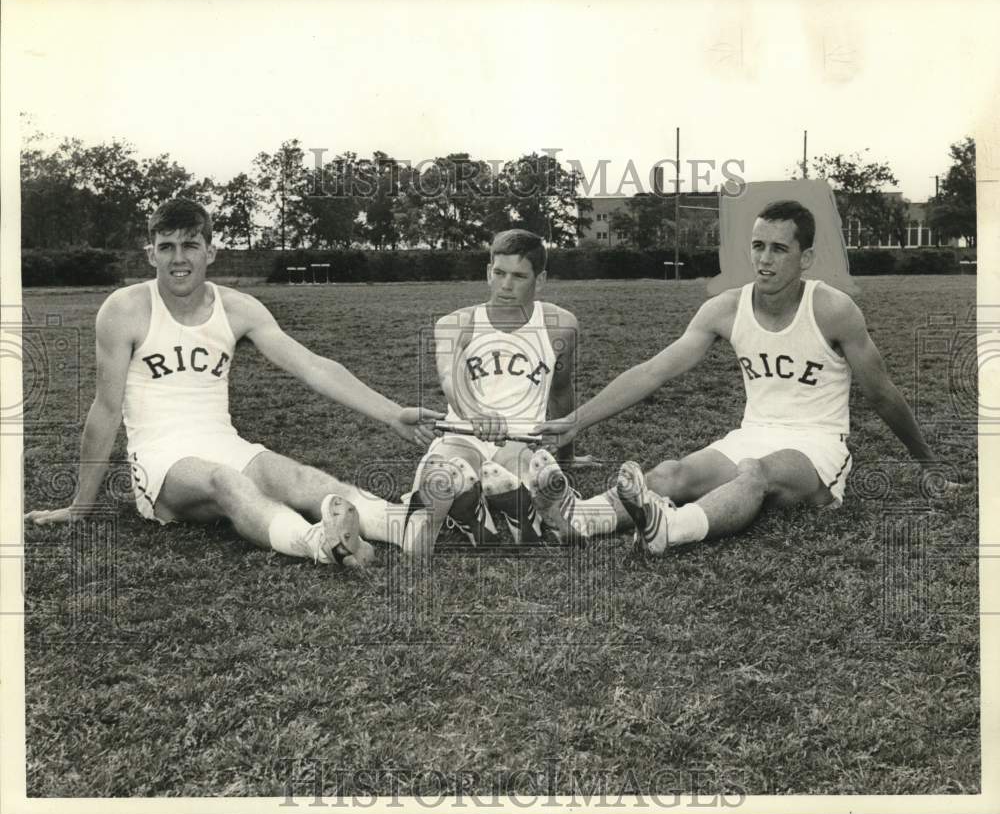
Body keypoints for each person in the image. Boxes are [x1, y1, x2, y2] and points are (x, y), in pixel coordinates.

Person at [24, 198, 446, 567]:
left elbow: (313, 367)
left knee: (300, 479)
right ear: (150, 254)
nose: (178, 258)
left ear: (211, 250)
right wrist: (81, 505)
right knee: (228, 482)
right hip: (160, 461)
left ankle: (401, 525)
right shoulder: (125, 309)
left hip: (224, 443)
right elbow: (106, 408)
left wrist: (393, 414)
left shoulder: (239, 307)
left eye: (189, 245)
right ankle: (318, 543)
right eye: (166, 247)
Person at [529, 199, 945, 553]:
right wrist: (574, 420)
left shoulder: (833, 309)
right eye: (758, 246)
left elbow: (881, 393)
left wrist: (928, 464)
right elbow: (655, 370)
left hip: (817, 445)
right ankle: (579, 518)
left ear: (806, 258)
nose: (764, 260)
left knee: (755, 472)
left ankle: (671, 529)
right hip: (753, 433)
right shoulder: (726, 308)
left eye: (779, 249)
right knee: (670, 474)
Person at [401, 229, 580, 556]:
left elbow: (561, 392)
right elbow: (448, 376)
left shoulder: (561, 325)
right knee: (443, 474)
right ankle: (452, 510)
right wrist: (474, 412)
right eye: (499, 273)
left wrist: (567, 459)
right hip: (465, 432)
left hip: (520, 437)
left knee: (533, 471)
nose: (506, 285)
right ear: (488, 272)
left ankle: (495, 506)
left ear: (540, 280)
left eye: (519, 276)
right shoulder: (455, 323)